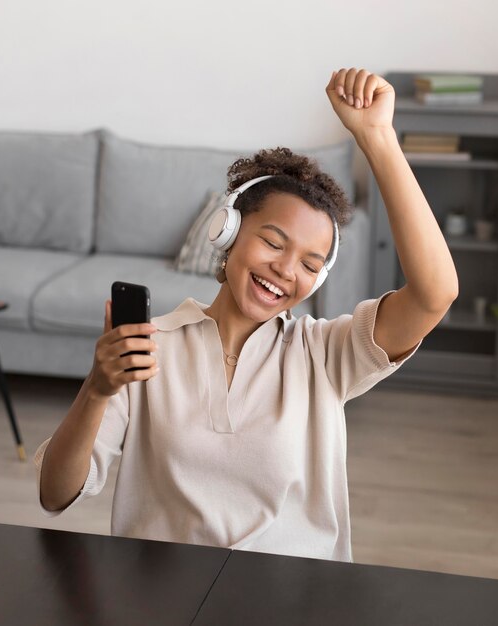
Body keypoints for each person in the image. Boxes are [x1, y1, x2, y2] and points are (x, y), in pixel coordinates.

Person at [35, 68, 458, 562]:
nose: (284, 270)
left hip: (290, 600)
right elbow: (55, 495)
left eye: (309, 264)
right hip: (163, 597)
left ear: (318, 282)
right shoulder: (150, 348)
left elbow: (435, 295)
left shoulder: (325, 355)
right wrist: (97, 389)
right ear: (227, 231)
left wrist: (377, 137)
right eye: (273, 242)